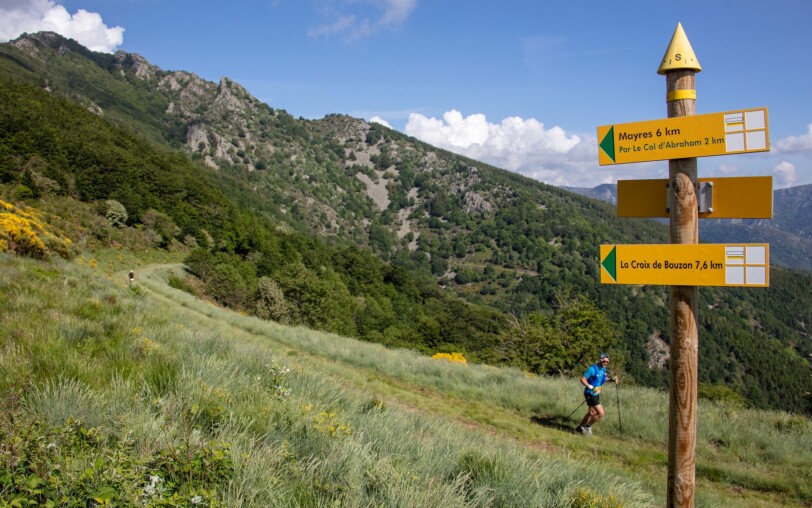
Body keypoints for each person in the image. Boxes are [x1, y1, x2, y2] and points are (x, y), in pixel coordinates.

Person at [576, 353, 618, 436]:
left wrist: (612, 379)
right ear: (600, 360)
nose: (605, 363)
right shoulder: (592, 369)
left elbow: (603, 378)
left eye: (607, 362)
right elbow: (582, 379)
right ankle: (587, 426)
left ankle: (579, 428)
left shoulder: (603, 369)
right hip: (590, 393)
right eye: (604, 361)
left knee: (591, 413)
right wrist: (591, 387)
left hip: (596, 393)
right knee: (601, 413)